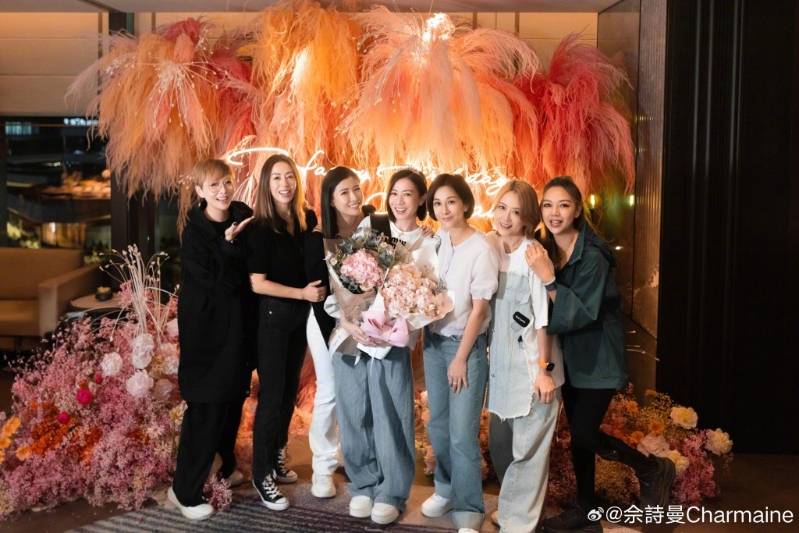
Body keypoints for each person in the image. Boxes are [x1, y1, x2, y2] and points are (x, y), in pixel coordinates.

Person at [525, 176, 675, 533]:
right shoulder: (546, 248)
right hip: (569, 356)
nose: (554, 213)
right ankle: (586, 506)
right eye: (548, 205)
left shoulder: (592, 255)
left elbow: (581, 312)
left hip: (598, 357)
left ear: (578, 209)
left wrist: (548, 280)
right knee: (579, 435)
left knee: (583, 433)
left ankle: (652, 468)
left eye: (563, 205)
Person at [333, 168, 434, 525]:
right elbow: (344, 278)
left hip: (392, 342)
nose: (399, 201)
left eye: (408, 194)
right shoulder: (372, 226)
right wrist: (348, 321)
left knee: (392, 414)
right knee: (353, 410)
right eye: (394, 193)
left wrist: (394, 325)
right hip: (353, 335)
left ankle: (392, 490)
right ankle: (364, 483)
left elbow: (429, 299)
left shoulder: (430, 243)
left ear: (421, 199)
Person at [170, 158, 256, 520]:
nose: (223, 191)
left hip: (239, 328)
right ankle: (184, 491)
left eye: (227, 182)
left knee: (233, 399)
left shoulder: (244, 218)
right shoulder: (194, 233)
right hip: (206, 332)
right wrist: (228, 245)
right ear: (200, 191)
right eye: (214, 185)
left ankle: (224, 469)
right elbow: (214, 283)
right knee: (207, 406)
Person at [247, 154, 326, 511]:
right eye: (277, 177)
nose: (284, 183)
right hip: (275, 319)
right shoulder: (260, 228)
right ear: (267, 184)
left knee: (288, 392)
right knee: (272, 395)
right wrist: (302, 294)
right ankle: (260, 474)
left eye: (289, 176)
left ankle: (277, 455)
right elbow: (258, 283)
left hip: (299, 319)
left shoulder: (305, 219)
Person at [422, 173, 499, 533]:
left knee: (462, 433)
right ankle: (445, 488)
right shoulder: (435, 242)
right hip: (433, 342)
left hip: (463, 348)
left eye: (451, 201)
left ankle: (469, 507)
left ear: (465, 203)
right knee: (437, 425)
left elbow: (480, 310)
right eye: (437, 203)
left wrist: (460, 358)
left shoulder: (481, 247)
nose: (444, 209)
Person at [485, 180, 564, 532]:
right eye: (502, 207)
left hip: (534, 370)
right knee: (502, 447)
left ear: (528, 219)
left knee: (527, 454)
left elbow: (543, 321)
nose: (506, 217)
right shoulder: (491, 246)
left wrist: (544, 371)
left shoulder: (533, 254)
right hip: (503, 371)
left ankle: (518, 524)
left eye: (516, 212)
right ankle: (517, 511)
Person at [303, 166, 375, 499]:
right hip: (326, 322)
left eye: (356, 188)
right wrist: (343, 321)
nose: (353, 197)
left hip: (368, 322)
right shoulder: (317, 238)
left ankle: (356, 455)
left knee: (360, 392)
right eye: (344, 192)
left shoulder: (373, 227)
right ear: (330, 200)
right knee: (329, 391)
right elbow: (319, 294)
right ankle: (322, 466)